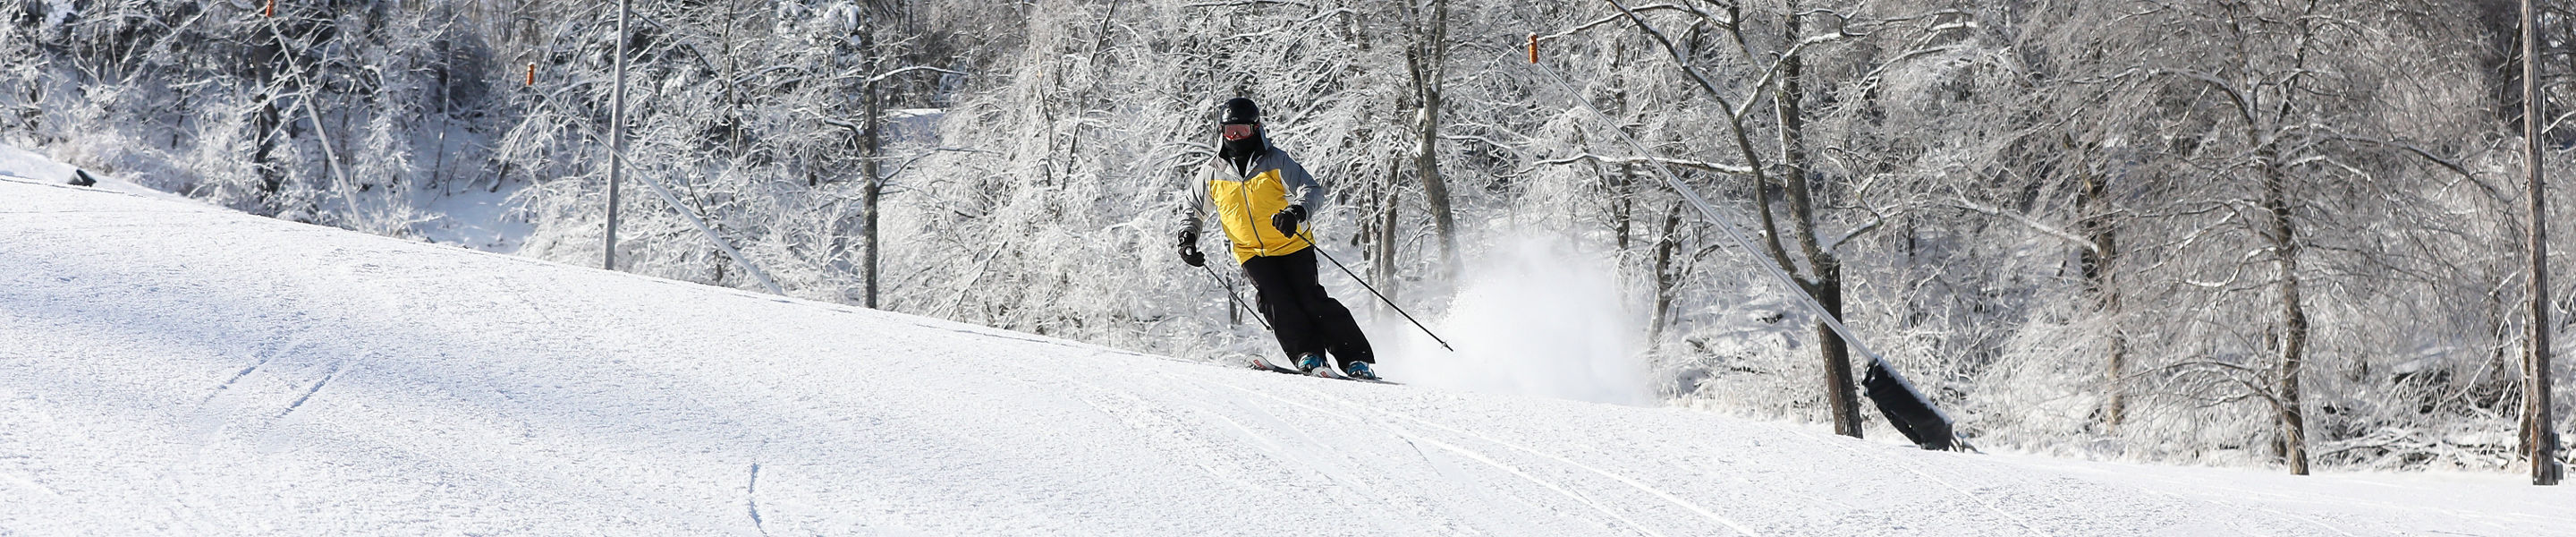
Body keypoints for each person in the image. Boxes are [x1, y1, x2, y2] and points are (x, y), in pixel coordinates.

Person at [1178, 98, 1379, 379]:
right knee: (1275, 302)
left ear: (1256, 128)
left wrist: (1295, 213)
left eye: (1242, 131)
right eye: (1229, 131)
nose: (1235, 137)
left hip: (1291, 244)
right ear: (1221, 132)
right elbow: (1194, 209)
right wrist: (1188, 236)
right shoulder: (1212, 172)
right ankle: (1308, 354)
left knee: (1311, 299)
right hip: (1251, 252)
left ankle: (1354, 359)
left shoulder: (1275, 160)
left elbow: (1311, 190)